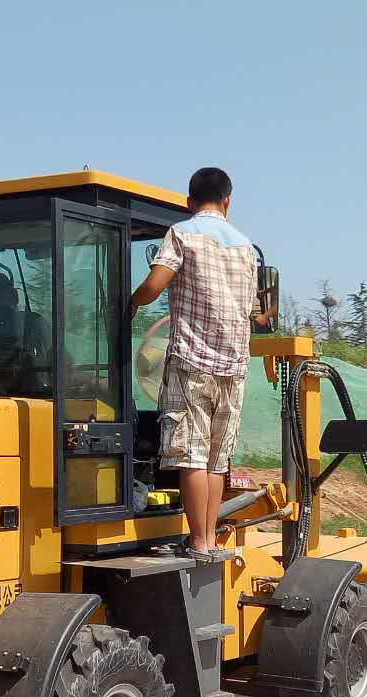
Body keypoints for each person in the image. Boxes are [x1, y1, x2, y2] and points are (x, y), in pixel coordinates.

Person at [129, 167, 258, 559]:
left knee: (191, 455)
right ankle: (211, 539)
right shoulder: (247, 248)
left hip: (192, 362)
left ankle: (198, 540)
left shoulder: (182, 234)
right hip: (234, 368)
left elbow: (154, 285)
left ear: (189, 202)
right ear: (228, 202)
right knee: (218, 458)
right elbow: (255, 312)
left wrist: (131, 302)